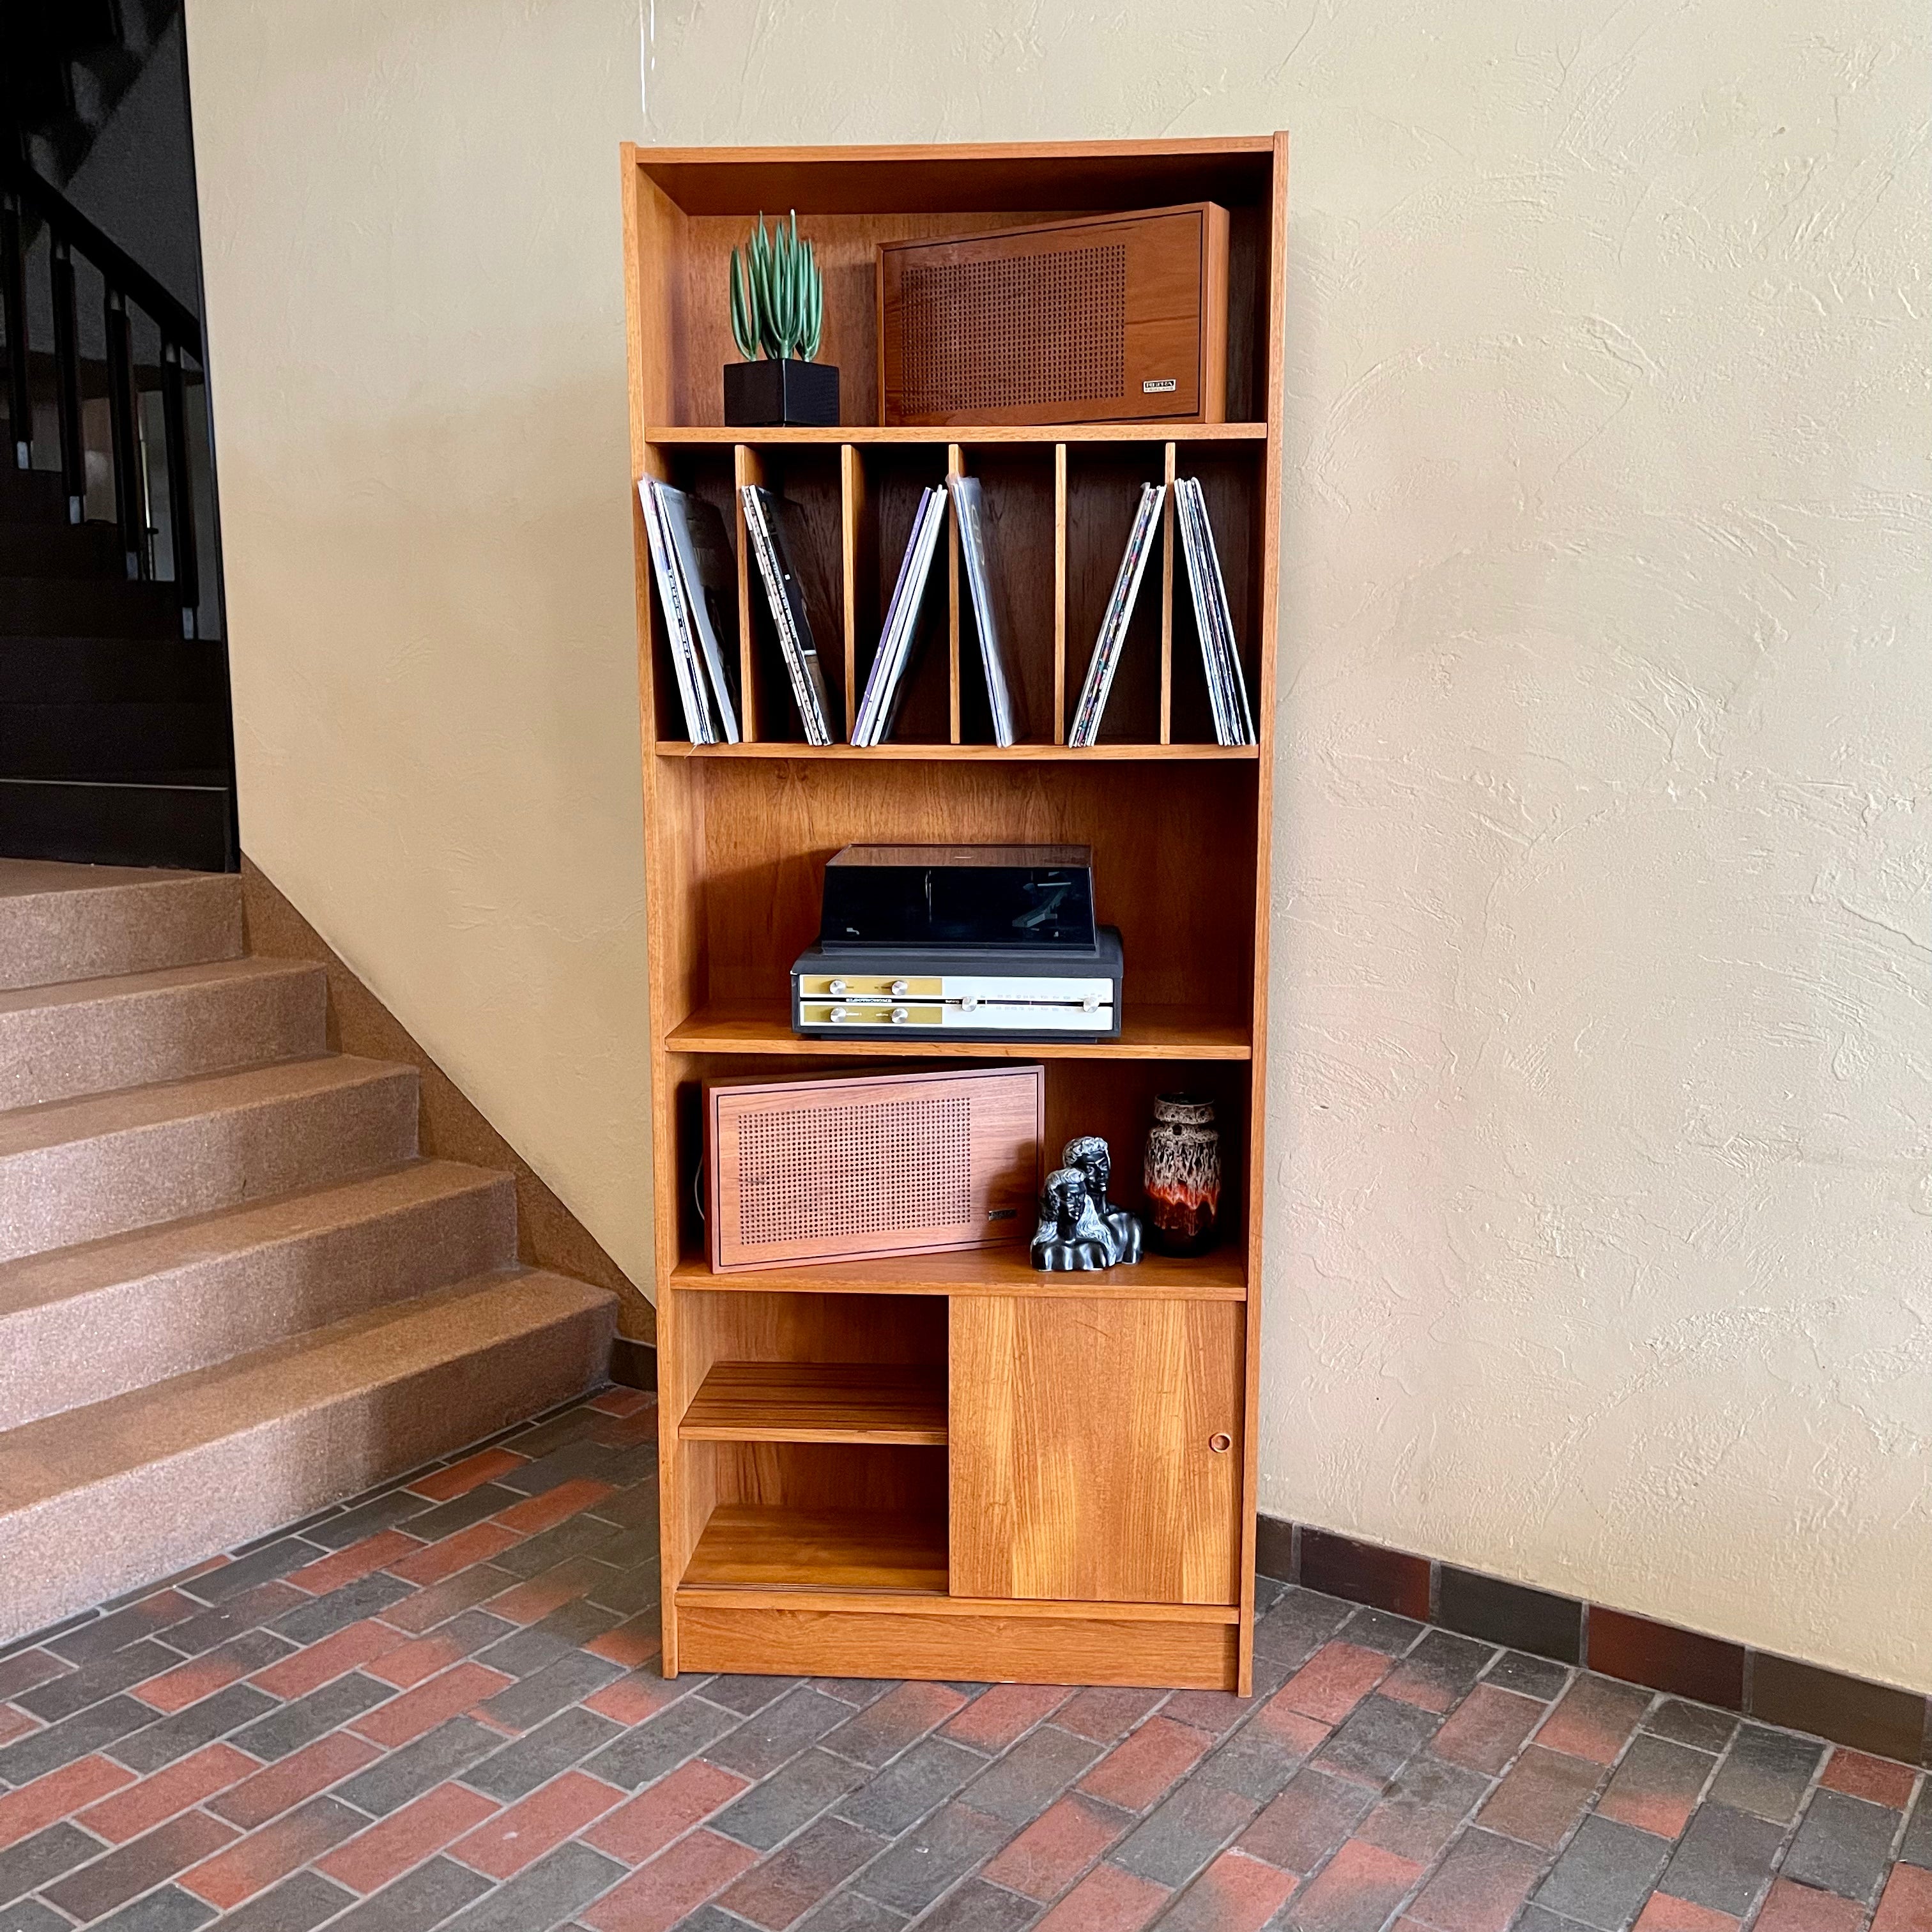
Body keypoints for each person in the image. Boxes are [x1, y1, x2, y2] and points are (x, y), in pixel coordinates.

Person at [1062, 1134, 1142, 1266]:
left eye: (1104, 1166)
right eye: (1090, 1169)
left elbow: (1132, 1273)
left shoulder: (1128, 1223)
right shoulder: (1067, 1226)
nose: (1100, 1174)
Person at [1030, 1165, 1113, 1271]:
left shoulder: (1096, 1249)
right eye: (1069, 1198)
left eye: (1081, 1197)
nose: (1078, 1204)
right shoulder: (1044, 1251)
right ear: (1054, 1202)